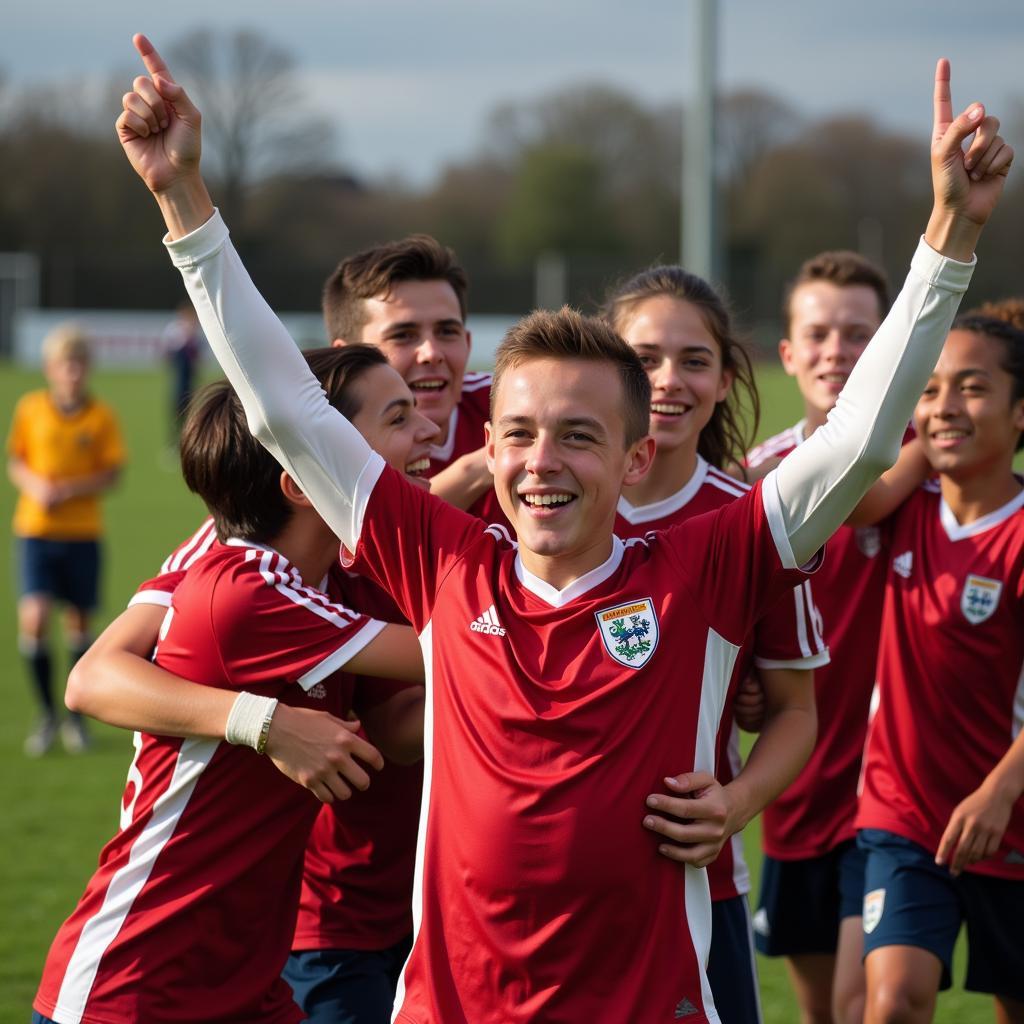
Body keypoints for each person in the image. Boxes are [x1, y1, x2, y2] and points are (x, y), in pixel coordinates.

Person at [118, 36, 1010, 1022]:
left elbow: (858, 438)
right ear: (487, 449)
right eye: (521, 434)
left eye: (579, 436)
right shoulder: (443, 561)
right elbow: (284, 402)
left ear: (634, 459)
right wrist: (182, 200)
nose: (543, 459)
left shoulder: (707, 558)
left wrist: (947, 234)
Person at [33, 355, 428, 1024]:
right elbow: (459, 651)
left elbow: (406, 719)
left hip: (244, 984)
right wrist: (263, 721)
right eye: (398, 417)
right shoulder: (248, 583)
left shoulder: (334, 579)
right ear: (304, 476)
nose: (432, 433)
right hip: (139, 987)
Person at [604, 265, 826, 1024]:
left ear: (727, 378)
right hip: (546, 885)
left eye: (693, 360)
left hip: (697, 885)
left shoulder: (757, 525)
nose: (666, 381)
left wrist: (734, 805)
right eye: (642, 358)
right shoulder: (542, 504)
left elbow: (796, 710)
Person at [743, 250, 907, 1024]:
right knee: (819, 1013)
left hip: (897, 796)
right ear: (787, 354)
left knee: (866, 1006)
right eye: (817, 334)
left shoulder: (935, 461)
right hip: (796, 786)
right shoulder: (754, 478)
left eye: (857, 333)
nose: (836, 350)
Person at [854, 312, 1024, 1024]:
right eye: (929, 390)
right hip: (905, 816)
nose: (945, 405)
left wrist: (1000, 792)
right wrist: (930, 435)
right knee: (892, 1003)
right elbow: (842, 502)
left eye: (972, 389)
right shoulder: (903, 508)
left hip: (1010, 820)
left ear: (1021, 414)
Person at [7, 323, 125, 756]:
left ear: (87, 368)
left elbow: (113, 473)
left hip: (82, 534)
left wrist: (71, 490)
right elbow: (16, 460)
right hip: (36, 531)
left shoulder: (101, 416)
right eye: (63, 365)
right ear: (50, 369)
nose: (71, 373)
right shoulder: (31, 408)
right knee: (35, 618)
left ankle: (76, 720)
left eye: (78, 364)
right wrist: (35, 485)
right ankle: (46, 715)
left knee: (79, 623)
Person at [324, 236, 499, 520]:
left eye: (447, 332)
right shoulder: (316, 443)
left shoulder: (509, 406)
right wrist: (483, 465)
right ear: (348, 360)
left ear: (467, 343)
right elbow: (369, 535)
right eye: (403, 335)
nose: (431, 353)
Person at [162, 298, 203, 447]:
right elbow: (168, 353)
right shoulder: (174, 330)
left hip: (190, 380)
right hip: (179, 379)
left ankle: (187, 442)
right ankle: (173, 443)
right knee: (176, 411)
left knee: (190, 412)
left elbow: (198, 357)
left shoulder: (196, 332)